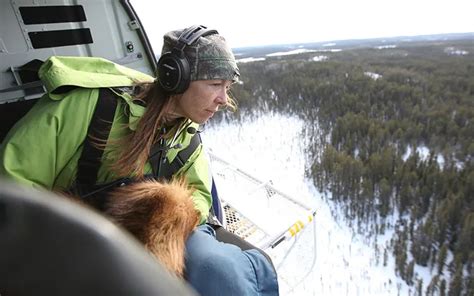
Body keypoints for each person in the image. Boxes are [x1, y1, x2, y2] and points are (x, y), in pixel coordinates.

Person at [0, 25, 279, 295]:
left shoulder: (187, 137)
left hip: (142, 237)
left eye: (227, 87)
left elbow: (200, 198)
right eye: (215, 84)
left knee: (221, 270)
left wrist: (158, 218)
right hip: (65, 233)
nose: (223, 99)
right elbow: (14, 178)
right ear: (175, 78)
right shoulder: (90, 107)